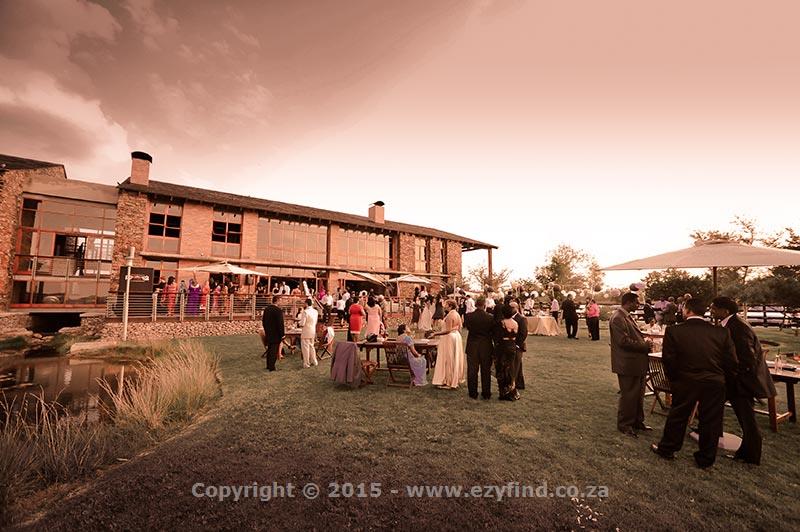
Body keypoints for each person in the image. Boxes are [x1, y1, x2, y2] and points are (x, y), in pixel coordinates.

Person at [651, 297, 738, 468]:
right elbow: (731, 362)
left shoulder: (674, 331)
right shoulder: (721, 332)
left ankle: (668, 448)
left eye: (684, 309)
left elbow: (669, 360)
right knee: (711, 420)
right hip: (714, 382)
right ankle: (706, 459)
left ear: (688, 310)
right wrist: (723, 380)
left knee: (678, 416)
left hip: (685, 380)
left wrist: (674, 380)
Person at [710, 296, 776, 465]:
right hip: (734, 380)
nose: (711, 310)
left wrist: (733, 377)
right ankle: (714, 437)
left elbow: (747, 360)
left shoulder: (738, 328)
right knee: (713, 405)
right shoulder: (729, 324)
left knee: (747, 420)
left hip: (742, 383)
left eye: (714, 308)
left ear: (725, 311)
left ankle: (751, 456)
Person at [609, 292, 653, 437]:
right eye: (636, 302)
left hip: (636, 363)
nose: (638, 305)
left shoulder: (626, 317)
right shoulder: (618, 318)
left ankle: (637, 422)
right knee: (629, 395)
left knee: (638, 395)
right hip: (627, 363)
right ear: (628, 302)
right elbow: (623, 341)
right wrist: (644, 345)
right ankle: (625, 425)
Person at [464, 296, 495, 400]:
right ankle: (486, 393)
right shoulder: (490, 317)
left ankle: (473, 393)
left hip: (473, 344)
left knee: (472, 370)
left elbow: (468, 327)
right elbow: (492, 331)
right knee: (486, 371)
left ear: (476, 304)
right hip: (486, 346)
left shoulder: (468, 316)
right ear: (484, 305)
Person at [430, 300, 466, 389]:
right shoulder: (457, 314)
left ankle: (449, 381)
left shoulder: (450, 315)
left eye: (446, 305)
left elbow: (448, 330)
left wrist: (435, 334)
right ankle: (452, 379)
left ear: (450, 306)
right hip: (456, 336)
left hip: (450, 338)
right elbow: (459, 328)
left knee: (449, 359)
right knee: (453, 358)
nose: (444, 306)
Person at [494, 304, 520, 401]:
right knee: (510, 368)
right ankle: (511, 390)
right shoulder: (515, 323)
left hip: (503, 347)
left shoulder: (501, 323)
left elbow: (497, 337)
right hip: (512, 346)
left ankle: (503, 392)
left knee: (502, 369)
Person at [260, 295, 285, 371]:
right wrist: (282, 334)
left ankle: (268, 365)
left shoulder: (267, 309)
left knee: (270, 349)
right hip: (276, 333)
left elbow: (263, 321)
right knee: (274, 350)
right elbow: (280, 323)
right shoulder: (278, 310)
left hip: (268, 332)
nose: (281, 302)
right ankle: (272, 367)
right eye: (280, 300)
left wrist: (266, 329)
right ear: (277, 300)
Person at [510, 301, 527, 391]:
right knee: (518, 364)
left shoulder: (521, 318)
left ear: (516, 308)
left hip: (518, 345)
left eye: (512, 307)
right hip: (512, 344)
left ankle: (514, 384)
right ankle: (520, 383)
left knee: (515, 364)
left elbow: (523, 333)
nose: (510, 309)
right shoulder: (509, 318)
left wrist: (517, 344)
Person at [298, 298, 319, 368]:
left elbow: (302, 323)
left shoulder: (305, 312)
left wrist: (298, 323)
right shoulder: (315, 311)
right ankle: (314, 361)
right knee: (311, 346)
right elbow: (315, 322)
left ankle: (306, 363)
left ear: (306, 303)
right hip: (313, 330)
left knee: (305, 348)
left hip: (306, 331)